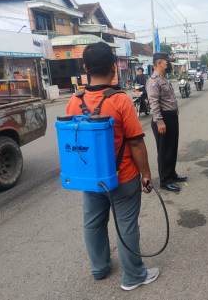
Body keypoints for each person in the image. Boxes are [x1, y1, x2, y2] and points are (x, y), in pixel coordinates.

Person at [65, 42, 159, 291]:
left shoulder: (74, 102)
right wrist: (146, 174)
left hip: (91, 178)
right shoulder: (120, 100)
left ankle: (99, 268)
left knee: (93, 223)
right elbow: (136, 143)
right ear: (113, 66)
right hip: (123, 176)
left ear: (85, 67)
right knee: (126, 225)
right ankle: (133, 276)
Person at [147, 53, 187, 192]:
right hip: (162, 119)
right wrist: (159, 121)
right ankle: (165, 180)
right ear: (159, 63)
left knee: (172, 147)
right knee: (164, 150)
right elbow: (154, 102)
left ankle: (172, 174)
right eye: (167, 62)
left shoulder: (163, 78)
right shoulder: (154, 80)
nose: (168, 64)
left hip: (170, 117)